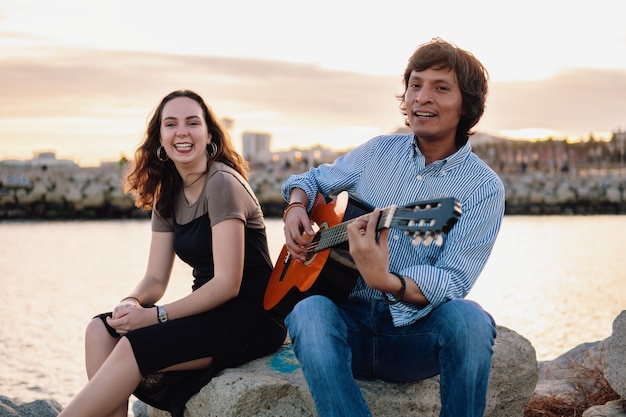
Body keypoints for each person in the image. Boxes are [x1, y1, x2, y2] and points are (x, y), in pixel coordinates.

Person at [280, 38, 505, 417]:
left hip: (413, 335)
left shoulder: (482, 188)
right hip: (346, 325)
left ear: (467, 104)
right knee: (308, 312)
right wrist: (296, 207)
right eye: (415, 85)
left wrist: (386, 280)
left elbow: (451, 282)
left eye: (440, 88)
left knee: (471, 320)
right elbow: (313, 180)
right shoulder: (377, 153)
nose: (421, 98)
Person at [59, 90, 286, 417]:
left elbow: (227, 284)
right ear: (160, 138)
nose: (182, 131)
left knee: (134, 347)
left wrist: (154, 317)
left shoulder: (222, 183)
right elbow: (154, 278)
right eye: (171, 124)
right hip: (206, 314)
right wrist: (132, 302)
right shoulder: (168, 192)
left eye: (193, 122)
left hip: (250, 318)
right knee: (100, 330)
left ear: (209, 135)